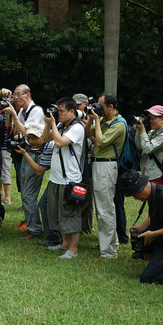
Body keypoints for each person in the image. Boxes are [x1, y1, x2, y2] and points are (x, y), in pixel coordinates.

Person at [85, 92, 126, 259]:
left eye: (100, 106)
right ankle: (110, 242)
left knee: (105, 209)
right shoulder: (103, 120)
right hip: (98, 164)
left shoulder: (119, 124)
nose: (97, 109)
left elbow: (100, 142)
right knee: (103, 207)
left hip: (107, 165)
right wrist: (90, 119)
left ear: (111, 106)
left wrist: (96, 121)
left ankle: (109, 251)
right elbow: (89, 134)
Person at [43, 97, 85, 259]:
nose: (58, 114)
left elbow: (60, 143)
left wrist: (53, 123)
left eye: (61, 111)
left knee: (70, 214)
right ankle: (64, 244)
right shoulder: (61, 126)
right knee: (58, 213)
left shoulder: (78, 127)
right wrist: (49, 123)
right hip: (56, 178)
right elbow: (45, 139)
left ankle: (73, 250)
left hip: (70, 179)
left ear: (72, 111)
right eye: (57, 110)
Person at [13, 123, 54, 239]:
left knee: (29, 197)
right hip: (26, 172)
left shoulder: (44, 150)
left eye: (34, 138)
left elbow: (39, 171)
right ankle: (31, 227)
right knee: (25, 196)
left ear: (43, 137)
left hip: (35, 168)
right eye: (29, 138)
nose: (30, 141)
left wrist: (25, 154)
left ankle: (34, 230)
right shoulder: (31, 146)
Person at [73, 93, 95, 236]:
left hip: (90, 163)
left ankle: (85, 228)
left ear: (86, 104)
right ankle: (78, 226)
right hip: (78, 164)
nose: (75, 108)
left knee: (87, 197)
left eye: (78, 105)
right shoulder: (74, 121)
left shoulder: (93, 119)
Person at [135, 105, 163, 185]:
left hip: (158, 175)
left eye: (153, 118)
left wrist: (143, 130)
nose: (150, 121)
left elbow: (148, 149)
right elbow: (139, 146)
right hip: (148, 173)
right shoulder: (152, 132)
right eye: (149, 118)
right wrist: (138, 130)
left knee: (156, 197)